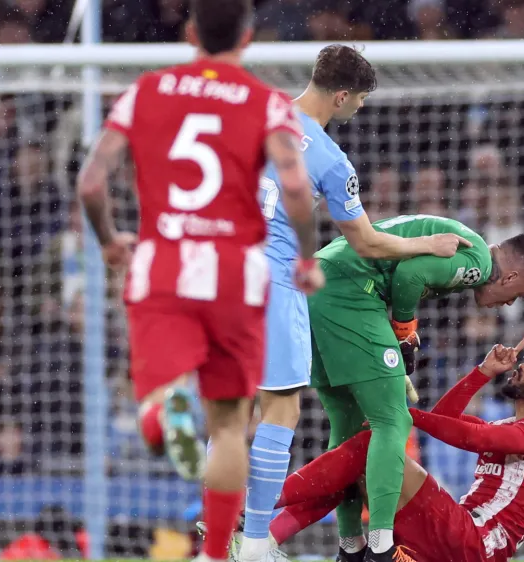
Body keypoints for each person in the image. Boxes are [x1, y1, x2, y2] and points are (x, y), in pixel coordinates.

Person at [75, 1, 324, 560]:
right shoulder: (267, 105)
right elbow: (297, 190)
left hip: (164, 263)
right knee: (232, 424)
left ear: (189, 33)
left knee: (158, 394)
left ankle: (163, 409)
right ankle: (219, 555)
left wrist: (110, 239)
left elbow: (92, 182)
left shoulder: (147, 91)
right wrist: (306, 259)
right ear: (249, 37)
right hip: (237, 274)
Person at [238, 45, 470, 562]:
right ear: (342, 95)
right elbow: (365, 241)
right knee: (280, 407)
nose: (359, 108)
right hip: (273, 281)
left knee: (229, 409)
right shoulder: (329, 158)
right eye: (360, 100)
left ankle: (220, 537)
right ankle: (255, 542)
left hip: (218, 272)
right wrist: (425, 246)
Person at [304, 214, 524, 562]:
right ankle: (379, 547)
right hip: (353, 291)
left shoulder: (467, 242)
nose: (509, 303)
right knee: (391, 423)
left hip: (320, 281)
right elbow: (410, 275)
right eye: (517, 294)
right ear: (510, 277)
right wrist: (404, 329)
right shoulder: (480, 262)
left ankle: (349, 546)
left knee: (347, 427)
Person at [247, 334, 524, 562]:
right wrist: (483, 372)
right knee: (362, 468)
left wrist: (404, 414)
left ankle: (261, 503)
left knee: (371, 448)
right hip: (452, 540)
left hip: (474, 542)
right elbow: (445, 418)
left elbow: (476, 439)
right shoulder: (509, 427)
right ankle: (265, 538)